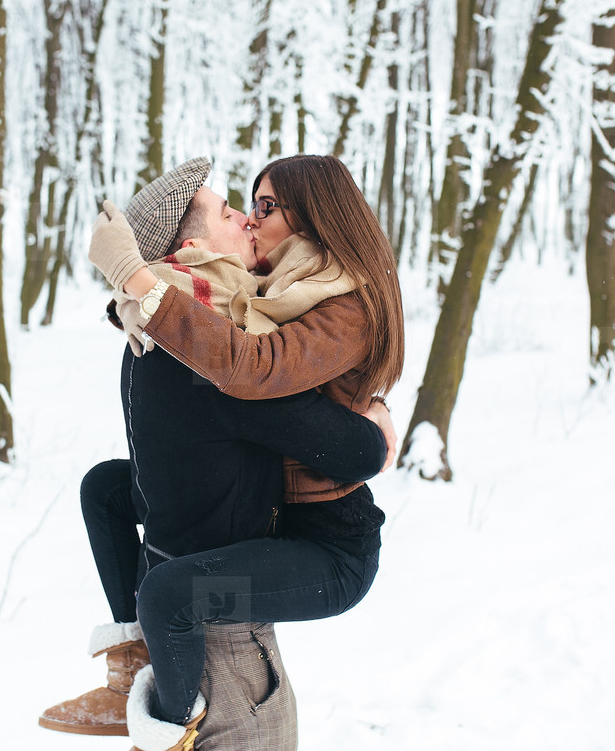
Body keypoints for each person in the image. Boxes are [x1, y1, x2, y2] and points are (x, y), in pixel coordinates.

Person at [39, 157, 396, 750]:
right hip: (248, 585)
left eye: (261, 207)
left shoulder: (274, 308)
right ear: (193, 245)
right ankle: (151, 695)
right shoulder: (210, 336)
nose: (249, 222)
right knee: (120, 510)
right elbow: (260, 381)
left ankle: (152, 701)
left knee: (166, 585)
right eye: (236, 210)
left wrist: (371, 403)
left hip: (325, 547)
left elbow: (295, 379)